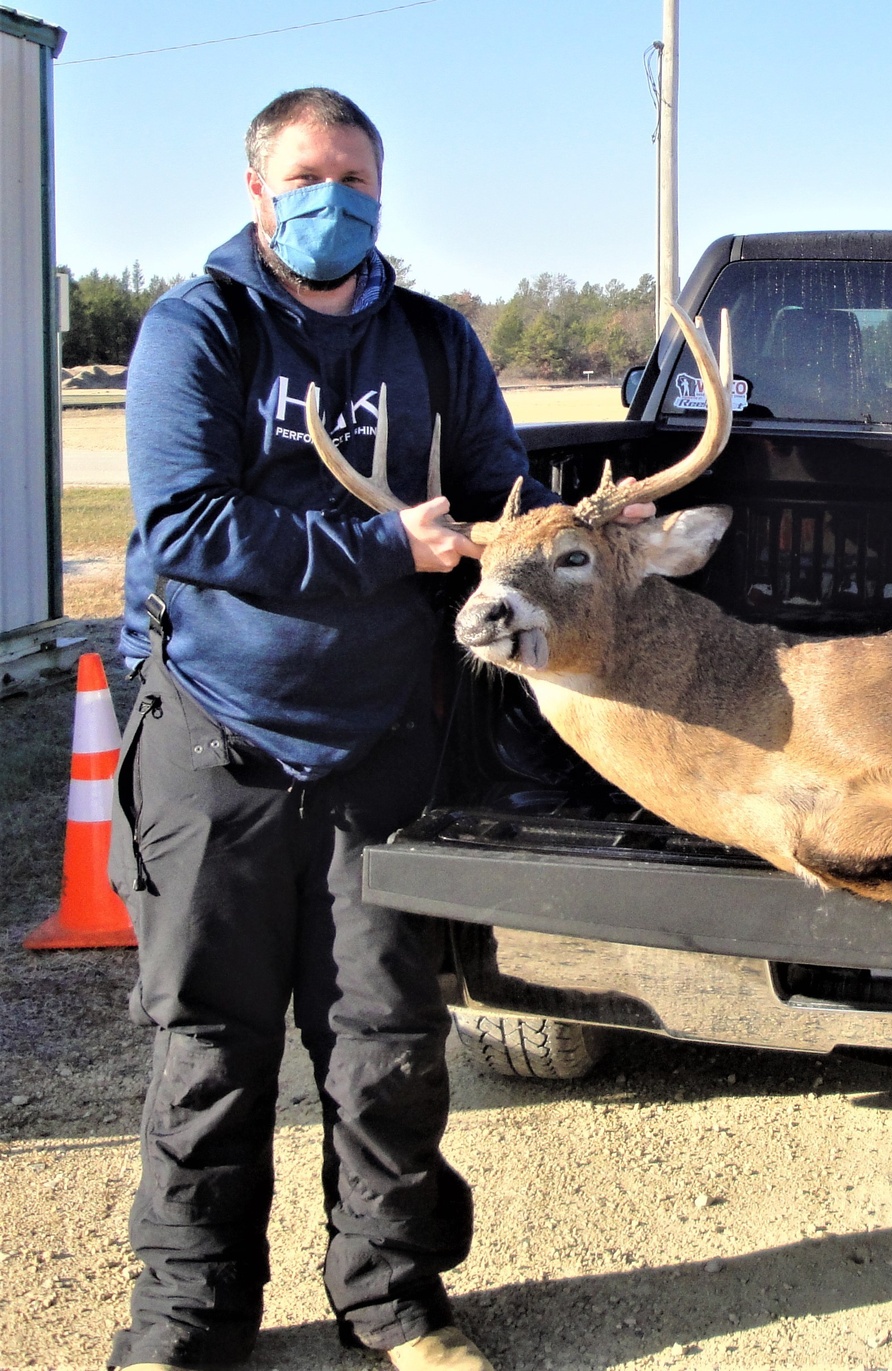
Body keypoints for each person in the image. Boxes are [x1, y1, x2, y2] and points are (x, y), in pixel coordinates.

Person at [108, 87, 561, 1371]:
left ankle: (395, 1301)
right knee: (207, 1046)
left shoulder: (431, 341)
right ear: (259, 191)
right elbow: (181, 526)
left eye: (357, 180)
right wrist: (380, 544)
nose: (336, 202)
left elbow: (497, 494)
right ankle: (187, 1318)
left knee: (388, 1047)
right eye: (309, 178)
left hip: (382, 749)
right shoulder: (196, 329)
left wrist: (554, 539)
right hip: (219, 744)